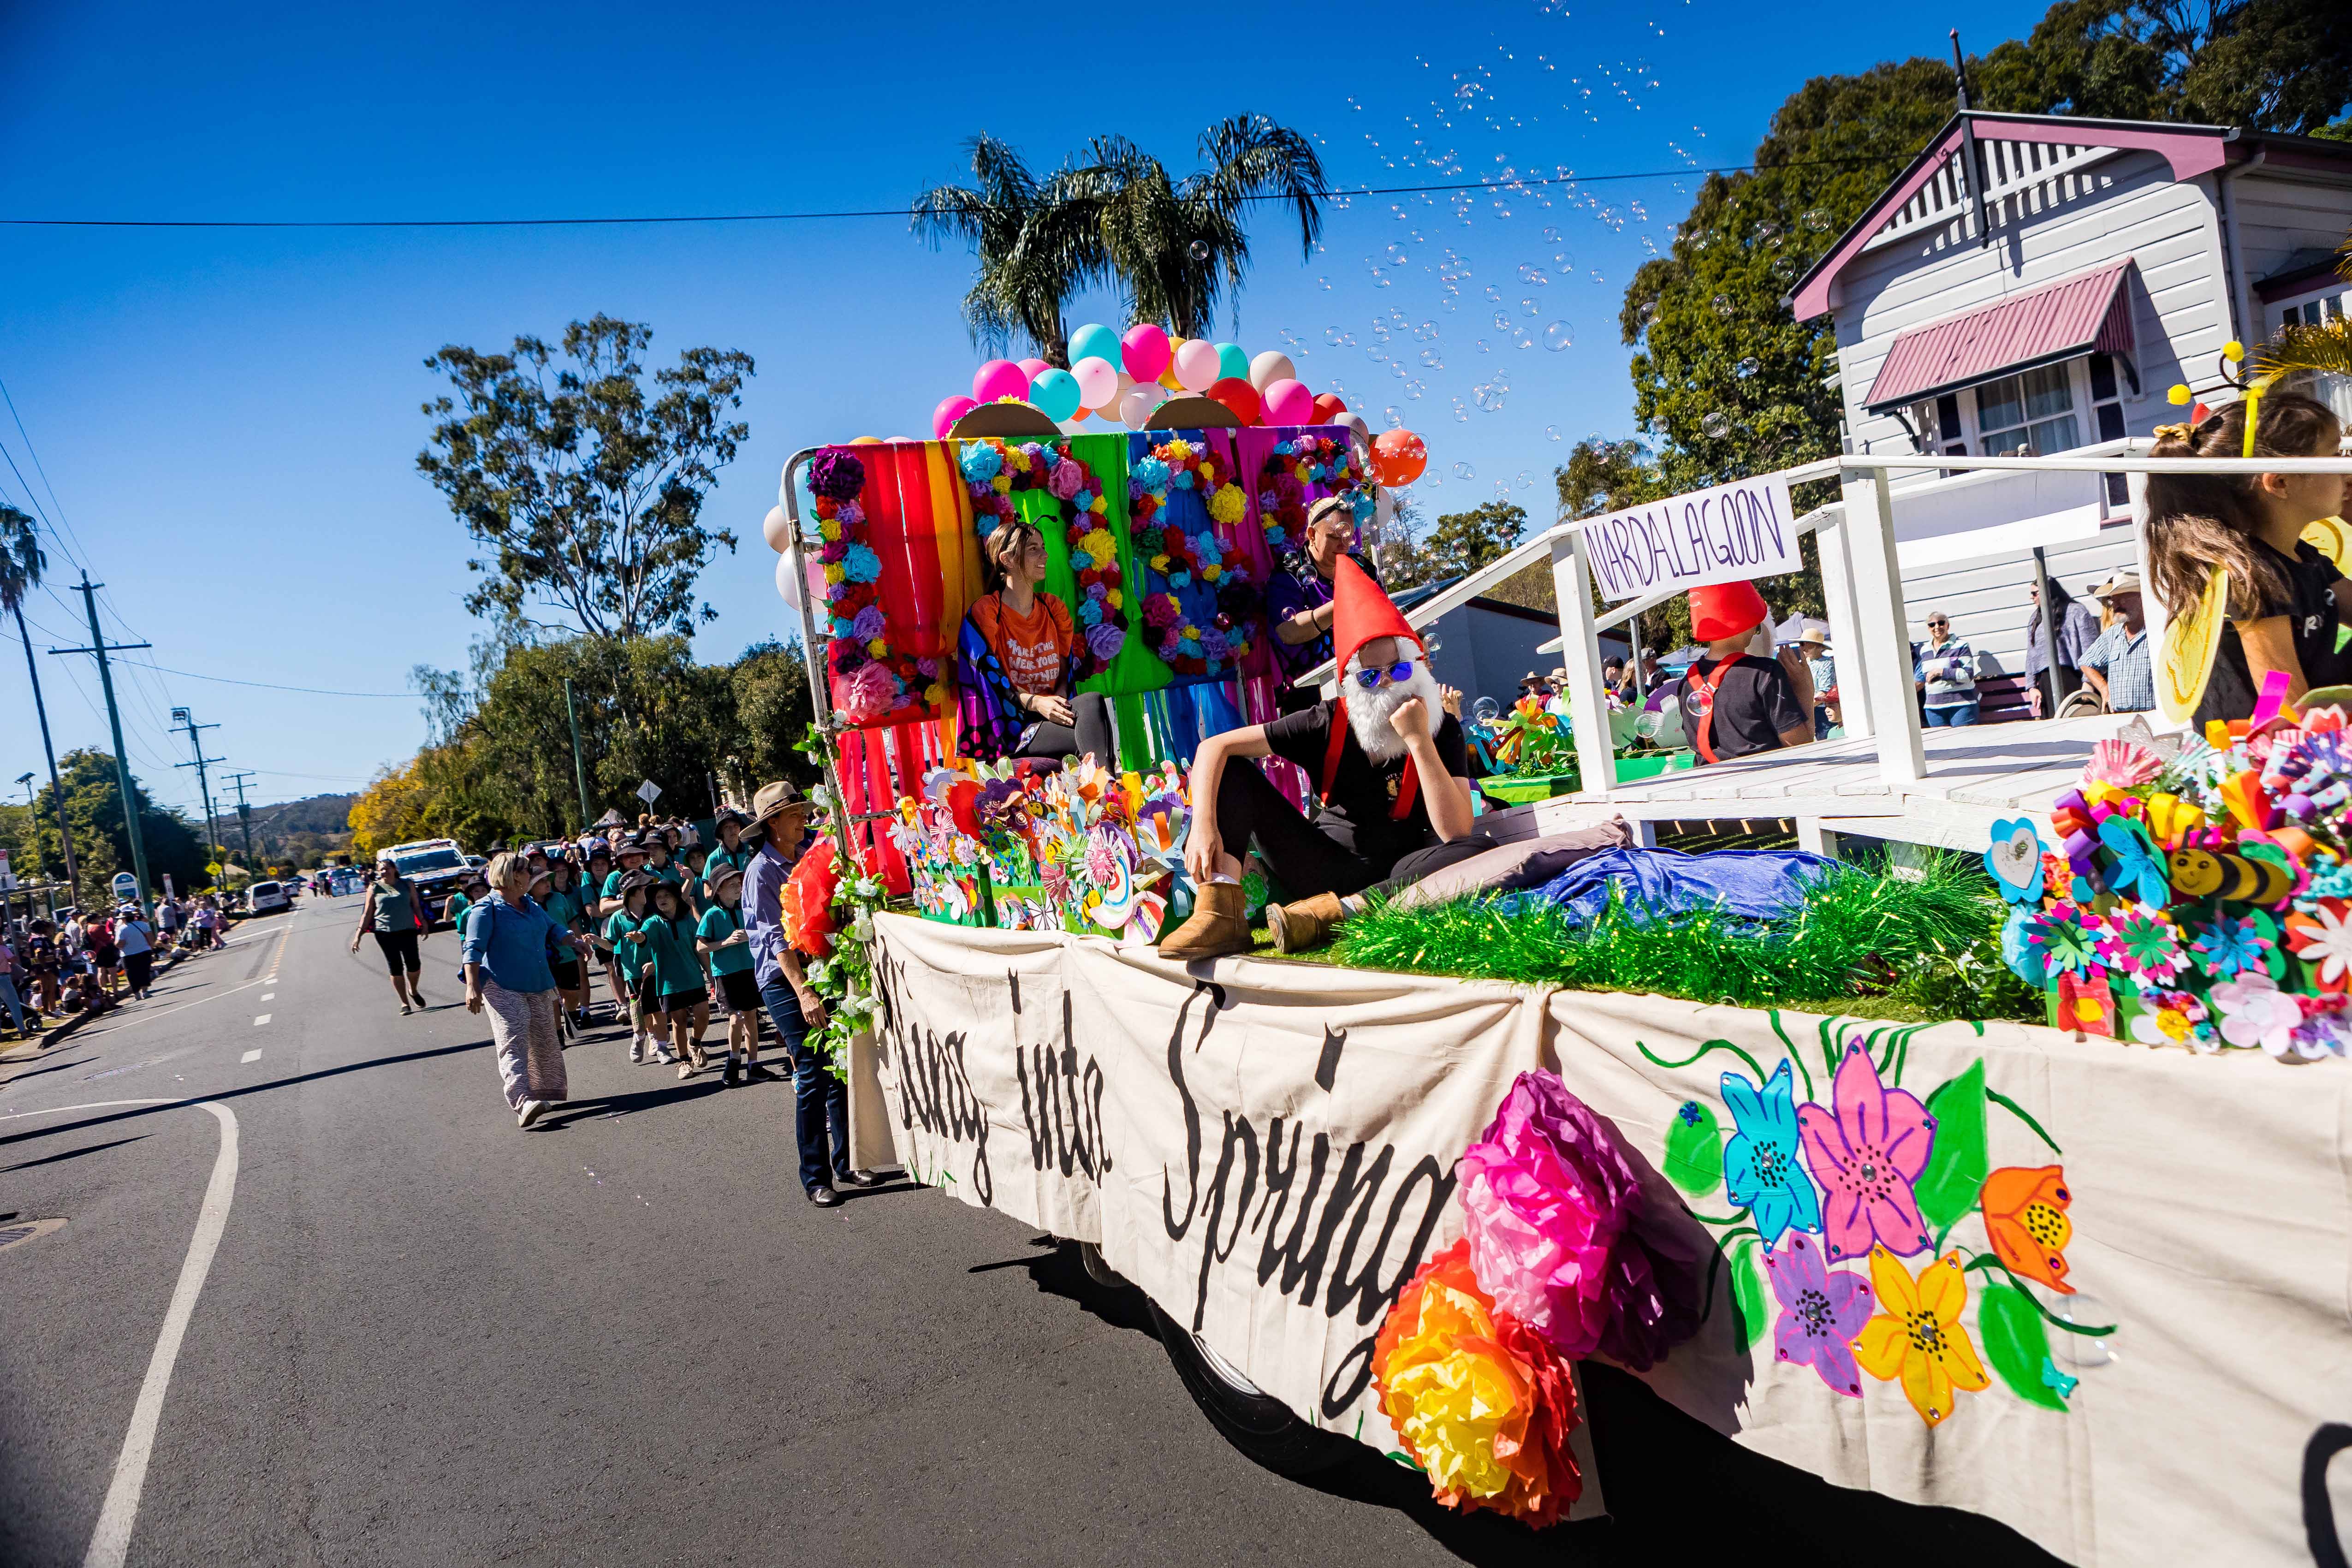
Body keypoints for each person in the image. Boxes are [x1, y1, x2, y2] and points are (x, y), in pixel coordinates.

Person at [1158, 558, 1499, 960]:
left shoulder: (1441, 727)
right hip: (1322, 864)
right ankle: (1220, 913)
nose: (1388, 683)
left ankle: (1344, 912)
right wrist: (1203, 825)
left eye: (1399, 668)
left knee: (1478, 847)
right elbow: (1212, 747)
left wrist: (1419, 739)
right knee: (1232, 768)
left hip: (1400, 872)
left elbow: (1456, 831)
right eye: (1371, 677)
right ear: (1350, 685)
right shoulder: (1326, 721)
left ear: (1417, 667)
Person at [2146, 391, 2349, 725]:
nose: (2345, 467)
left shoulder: (2300, 556)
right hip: (2269, 759)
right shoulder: (2251, 573)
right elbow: (2280, 702)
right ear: (2281, 482)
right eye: (2332, 455)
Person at [743, 779, 878, 1207]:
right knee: (811, 1072)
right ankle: (816, 1177)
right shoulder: (761, 872)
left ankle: (848, 1160)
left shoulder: (808, 856)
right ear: (772, 824)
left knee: (840, 1065)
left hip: (821, 967)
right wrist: (804, 993)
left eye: (803, 812)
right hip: (785, 980)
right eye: (794, 815)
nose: (803, 819)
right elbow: (774, 940)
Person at [954, 519, 1117, 766]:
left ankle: (1105, 785)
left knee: (1092, 703)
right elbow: (991, 681)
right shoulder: (986, 612)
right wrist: (1037, 702)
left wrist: (1060, 699)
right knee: (1094, 735)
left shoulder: (1053, 608)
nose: (1045, 554)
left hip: (1053, 715)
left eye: (1043, 546)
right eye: (1033, 549)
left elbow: (1065, 664)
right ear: (1007, 560)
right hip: (1015, 727)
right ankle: (1108, 788)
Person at [461, 850, 573, 1129]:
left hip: (536, 981)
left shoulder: (531, 905)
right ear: (511, 875)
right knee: (513, 1035)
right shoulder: (485, 909)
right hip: (501, 984)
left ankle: (540, 1092)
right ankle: (522, 1101)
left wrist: (574, 941)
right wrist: (473, 987)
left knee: (544, 1037)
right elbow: (472, 950)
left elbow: (553, 928)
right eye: (525, 870)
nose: (530, 875)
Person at [1673, 581, 1814, 765]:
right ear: (1747, 621)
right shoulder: (1764, 672)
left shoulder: (1688, 682)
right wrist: (1805, 689)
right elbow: (1799, 745)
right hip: (1763, 784)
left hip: (1707, 786)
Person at [1266, 494, 1375, 714]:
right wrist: (1341, 605)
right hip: (1310, 700)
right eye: (1335, 537)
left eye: (1348, 535)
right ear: (1312, 535)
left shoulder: (1362, 568)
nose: (1344, 544)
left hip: (1366, 687)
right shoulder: (1289, 574)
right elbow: (1288, 631)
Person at [697, 862, 764, 1086]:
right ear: (719, 889)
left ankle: (754, 1064)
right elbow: (700, 947)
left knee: (752, 1017)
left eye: (739, 883)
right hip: (726, 974)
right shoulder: (712, 915)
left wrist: (750, 937)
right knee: (737, 1019)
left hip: (749, 969)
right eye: (732, 884)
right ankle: (734, 1059)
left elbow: (759, 933)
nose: (738, 887)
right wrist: (725, 942)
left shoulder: (745, 909)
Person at [641, 880, 711, 1079]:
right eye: (658, 898)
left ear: (675, 899)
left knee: (704, 1015)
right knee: (679, 1022)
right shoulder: (653, 922)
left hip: (693, 978)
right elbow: (644, 936)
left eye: (666, 896)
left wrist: (710, 973)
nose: (662, 900)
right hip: (668, 983)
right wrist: (639, 938)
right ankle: (684, 1062)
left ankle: (695, 1043)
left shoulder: (689, 921)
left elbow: (700, 950)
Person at [349, 857, 428, 1014]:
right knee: (396, 967)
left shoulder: (407, 884)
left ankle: (413, 990)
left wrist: (424, 923)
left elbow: (416, 905)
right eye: (381, 869)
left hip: (408, 929)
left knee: (414, 965)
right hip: (384, 932)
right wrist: (359, 934)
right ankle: (404, 1003)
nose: (384, 871)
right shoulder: (374, 888)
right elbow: (368, 913)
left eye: (387, 868)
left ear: (395, 869)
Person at [606, 874, 663, 1063]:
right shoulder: (618, 918)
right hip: (634, 973)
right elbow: (610, 943)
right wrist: (595, 941)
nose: (652, 891)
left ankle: (661, 1044)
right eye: (647, 887)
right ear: (636, 892)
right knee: (640, 1010)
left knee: (658, 1010)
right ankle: (639, 1037)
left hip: (656, 969)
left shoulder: (655, 914)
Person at [2079, 571, 2155, 714]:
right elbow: (2086, 662)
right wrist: (2104, 688)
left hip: (2153, 715)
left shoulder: (2155, 632)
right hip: (2119, 717)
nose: (2116, 605)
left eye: (2123, 600)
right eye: (2113, 600)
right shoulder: (2113, 634)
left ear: (2141, 599)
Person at [2024, 578, 2101, 718]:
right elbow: (2031, 654)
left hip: (2072, 676)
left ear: (2048, 592)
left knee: (2074, 721)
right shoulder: (2035, 618)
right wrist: (2032, 687)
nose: (2032, 598)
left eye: (2035, 593)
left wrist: (2088, 682)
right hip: (2046, 681)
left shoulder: (2076, 611)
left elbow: (2091, 648)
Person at [537, 862, 594, 1030]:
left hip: (567, 954)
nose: (548, 883)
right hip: (543, 958)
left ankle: (570, 1014)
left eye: (548, 879)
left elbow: (572, 922)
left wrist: (578, 944)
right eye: (542, 881)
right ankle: (559, 1033)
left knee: (573, 995)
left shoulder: (559, 898)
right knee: (551, 996)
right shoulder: (526, 905)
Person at [1914, 611, 1980, 727]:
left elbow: (1967, 675)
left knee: (1964, 741)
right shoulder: (1925, 650)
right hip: (1934, 707)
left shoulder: (1961, 646)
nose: (1937, 627)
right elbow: (1925, 677)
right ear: (1928, 628)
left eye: (1941, 623)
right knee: (1942, 744)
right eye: (1932, 625)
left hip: (1962, 704)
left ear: (1947, 625)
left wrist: (1941, 672)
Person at [115, 903, 156, 1001]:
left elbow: (119, 944)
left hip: (128, 955)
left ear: (124, 919)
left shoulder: (122, 929)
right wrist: (151, 948)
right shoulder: (144, 925)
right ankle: (145, 991)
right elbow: (151, 939)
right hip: (144, 952)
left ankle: (136, 993)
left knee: (132, 974)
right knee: (144, 971)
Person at [0, 928, 33, 1041]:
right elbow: (14, 960)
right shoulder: (3, 948)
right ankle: (22, 1031)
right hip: (3, 978)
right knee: (14, 1005)